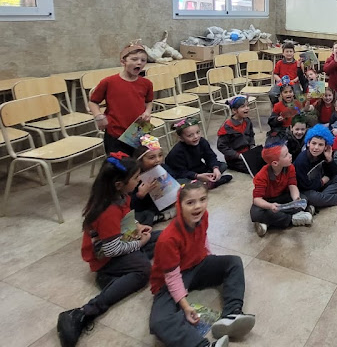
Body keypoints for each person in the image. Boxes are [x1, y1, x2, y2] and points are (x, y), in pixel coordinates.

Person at [57, 153, 160, 347]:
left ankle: (119, 274)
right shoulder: (107, 211)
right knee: (143, 270)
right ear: (118, 184)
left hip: (119, 240)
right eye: (136, 178)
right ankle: (83, 312)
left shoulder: (120, 196)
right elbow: (111, 249)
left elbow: (125, 219)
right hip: (105, 258)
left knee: (160, 237)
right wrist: (140, 244)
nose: (139, 181)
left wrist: (137, 227)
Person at [149, 181, 255, 347]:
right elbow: (172, 277)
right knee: (159, 322)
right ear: (180, 205)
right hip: (167, 282)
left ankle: (232, 314)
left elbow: (202, 237)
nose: (198, 206)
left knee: (233, 262)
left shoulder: (203, 216)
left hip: (196, 265)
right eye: (190, 202)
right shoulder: (168, 239)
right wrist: (185, 305)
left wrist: (210, 259)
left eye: (202, 199)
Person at [88, 42, 153, 156]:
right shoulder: (108, 82)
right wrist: (98, 116)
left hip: (138, 131)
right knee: (119, 166)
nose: (139, 62)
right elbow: (93, 101)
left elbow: (149, 101)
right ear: (123, 61)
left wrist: (148, 111)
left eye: (143, 60)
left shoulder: (146, 83)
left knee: (139, 164)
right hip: (115, 132)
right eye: (134, 59)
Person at [251, 140, 313, 235]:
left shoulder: (290, 167)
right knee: (256, 213)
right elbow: (257, 199)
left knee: (303, 198)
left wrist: (296, 199)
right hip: (267, 201)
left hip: (282, 197)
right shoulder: (261, 176)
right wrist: (270, 206)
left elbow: (292, 185)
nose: (290, 155)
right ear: (275, 163)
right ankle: (292, 219)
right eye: (286, 155)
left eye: (288, 152)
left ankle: (270, 222)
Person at [294, 124, 337, 211]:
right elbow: (304, 185)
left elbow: (335, 173)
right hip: (307, 189)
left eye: (320, 145)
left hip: (320, 185)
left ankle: (323, 199)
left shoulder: (323, 155)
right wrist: (322, 181)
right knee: (313, 197)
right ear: (308, 143)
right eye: (314, 143)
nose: (316, 147)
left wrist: (329, 159)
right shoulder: (301, 161)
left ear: (325, 146)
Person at [165, 119, 231, 188]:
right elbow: (180, 172)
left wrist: (215, 169)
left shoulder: (202, 141)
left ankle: (206, 182)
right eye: (190, 135)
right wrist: (197, 176)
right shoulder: (177, 152)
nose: (196, 137)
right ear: (181, 138)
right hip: (183, 174)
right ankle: (208, 183)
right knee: (180, 183)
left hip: (198, 169)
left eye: (197, 132)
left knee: (223, 165)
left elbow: (210, 157)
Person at [131, 137, 176, 225]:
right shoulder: (136, 177)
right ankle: (157, 216)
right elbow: (130, 206)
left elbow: (175, 179)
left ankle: (161, 215)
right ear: (140, 160)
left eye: (160, 155)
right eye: (152, 157)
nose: (158, 160)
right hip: (146, 207)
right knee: (141, 216)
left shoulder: (164, 168)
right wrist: (140, 195)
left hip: (165, 203)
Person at [216, 96, 258, 173]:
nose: (247, 108)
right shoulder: (227, 128)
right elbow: (221, 146)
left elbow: (251, 135)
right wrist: (237, 155)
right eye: (243, 107)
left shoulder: (247, 121)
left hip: (247, 153)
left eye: (247, 105)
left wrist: (252, 146)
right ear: (234, 110)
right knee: (254, 167)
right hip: (234, 159)